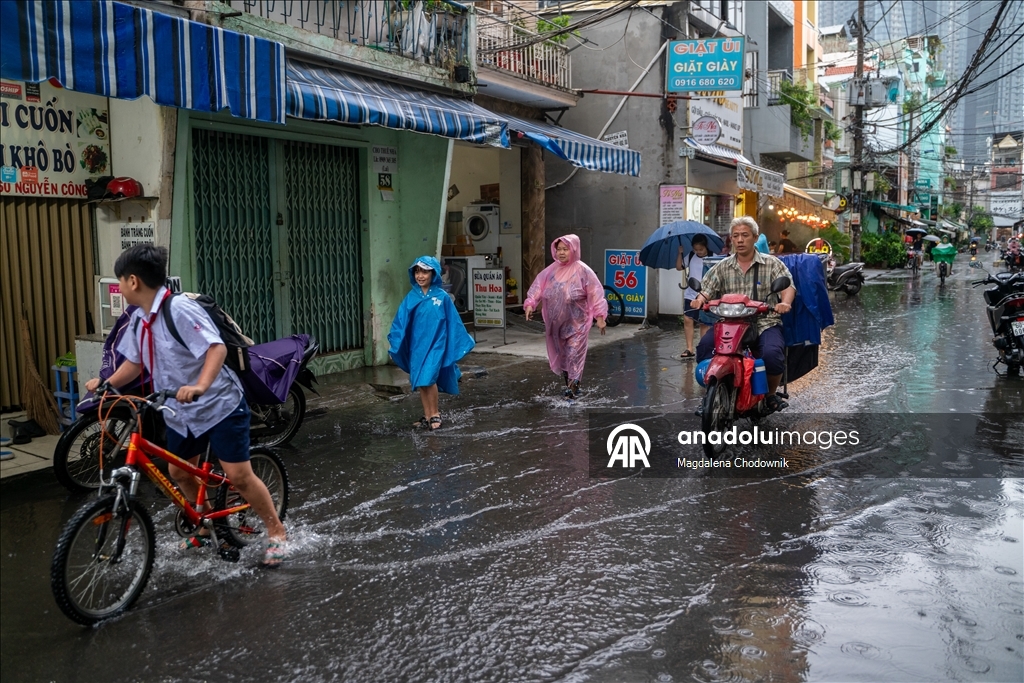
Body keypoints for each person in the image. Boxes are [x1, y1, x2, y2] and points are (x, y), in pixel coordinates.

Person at [84, 244, 288, 567]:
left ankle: (276, 531)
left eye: (120, 280)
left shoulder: (179, 309)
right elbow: (135, 364)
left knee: (238, 476)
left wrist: (200, 386)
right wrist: (108, 383)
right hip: (180, 410)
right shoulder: (138, 320)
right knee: (178, 470)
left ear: (133, 281)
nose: (119, 287)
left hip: (218, 403)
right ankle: (206, 526)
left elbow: (216, 350)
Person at [691, 217, 797, 412]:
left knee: (772, 355)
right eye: (735, 236)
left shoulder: (771, 264)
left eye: (745, 235)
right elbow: (707, 288)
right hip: (729, 323)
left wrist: (784, 302)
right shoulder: (722, 266)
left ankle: (770, 394)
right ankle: (712, 396)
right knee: (705, 348)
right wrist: (700, 299)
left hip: (764, 321)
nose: (740, 240)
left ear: (755, 237)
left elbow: (788, 287)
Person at [388, 256, 475, 430]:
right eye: (417, 271)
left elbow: (454, 322)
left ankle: (435, 413)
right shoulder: (411, 297)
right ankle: (427, 415)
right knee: (421, 379)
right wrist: (396, 341)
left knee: (429, 377)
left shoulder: (442, 297)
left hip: (437, 345)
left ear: (433, 273)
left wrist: (458, 343)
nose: (420, 276)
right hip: (417, 346)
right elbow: (400, 321)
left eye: (425, 271)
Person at [524, 235, 608, 398]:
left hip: (578, 324)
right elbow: (537, 288)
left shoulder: (583, 271)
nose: (561, 253)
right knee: (563, 357)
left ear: (574, 250)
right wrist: (530, 304)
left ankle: (573, 392)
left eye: (565, 249)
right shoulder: (550, 271)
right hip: (556, 326)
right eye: (559, 249)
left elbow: (596, 294)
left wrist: (600, 317)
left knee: (573, 354)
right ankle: (570, 386)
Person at [676, 234, 712, 359]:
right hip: (690, 293)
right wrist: (680, 253)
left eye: (701, 249)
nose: (698, 252)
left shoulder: (713, 257)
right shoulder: (691, 256)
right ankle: (689, 348)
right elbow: (679, 267)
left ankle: (703, 348)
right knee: (687, 319)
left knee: (704, 323)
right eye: (696, 249)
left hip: (706, 295)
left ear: (706, 246)